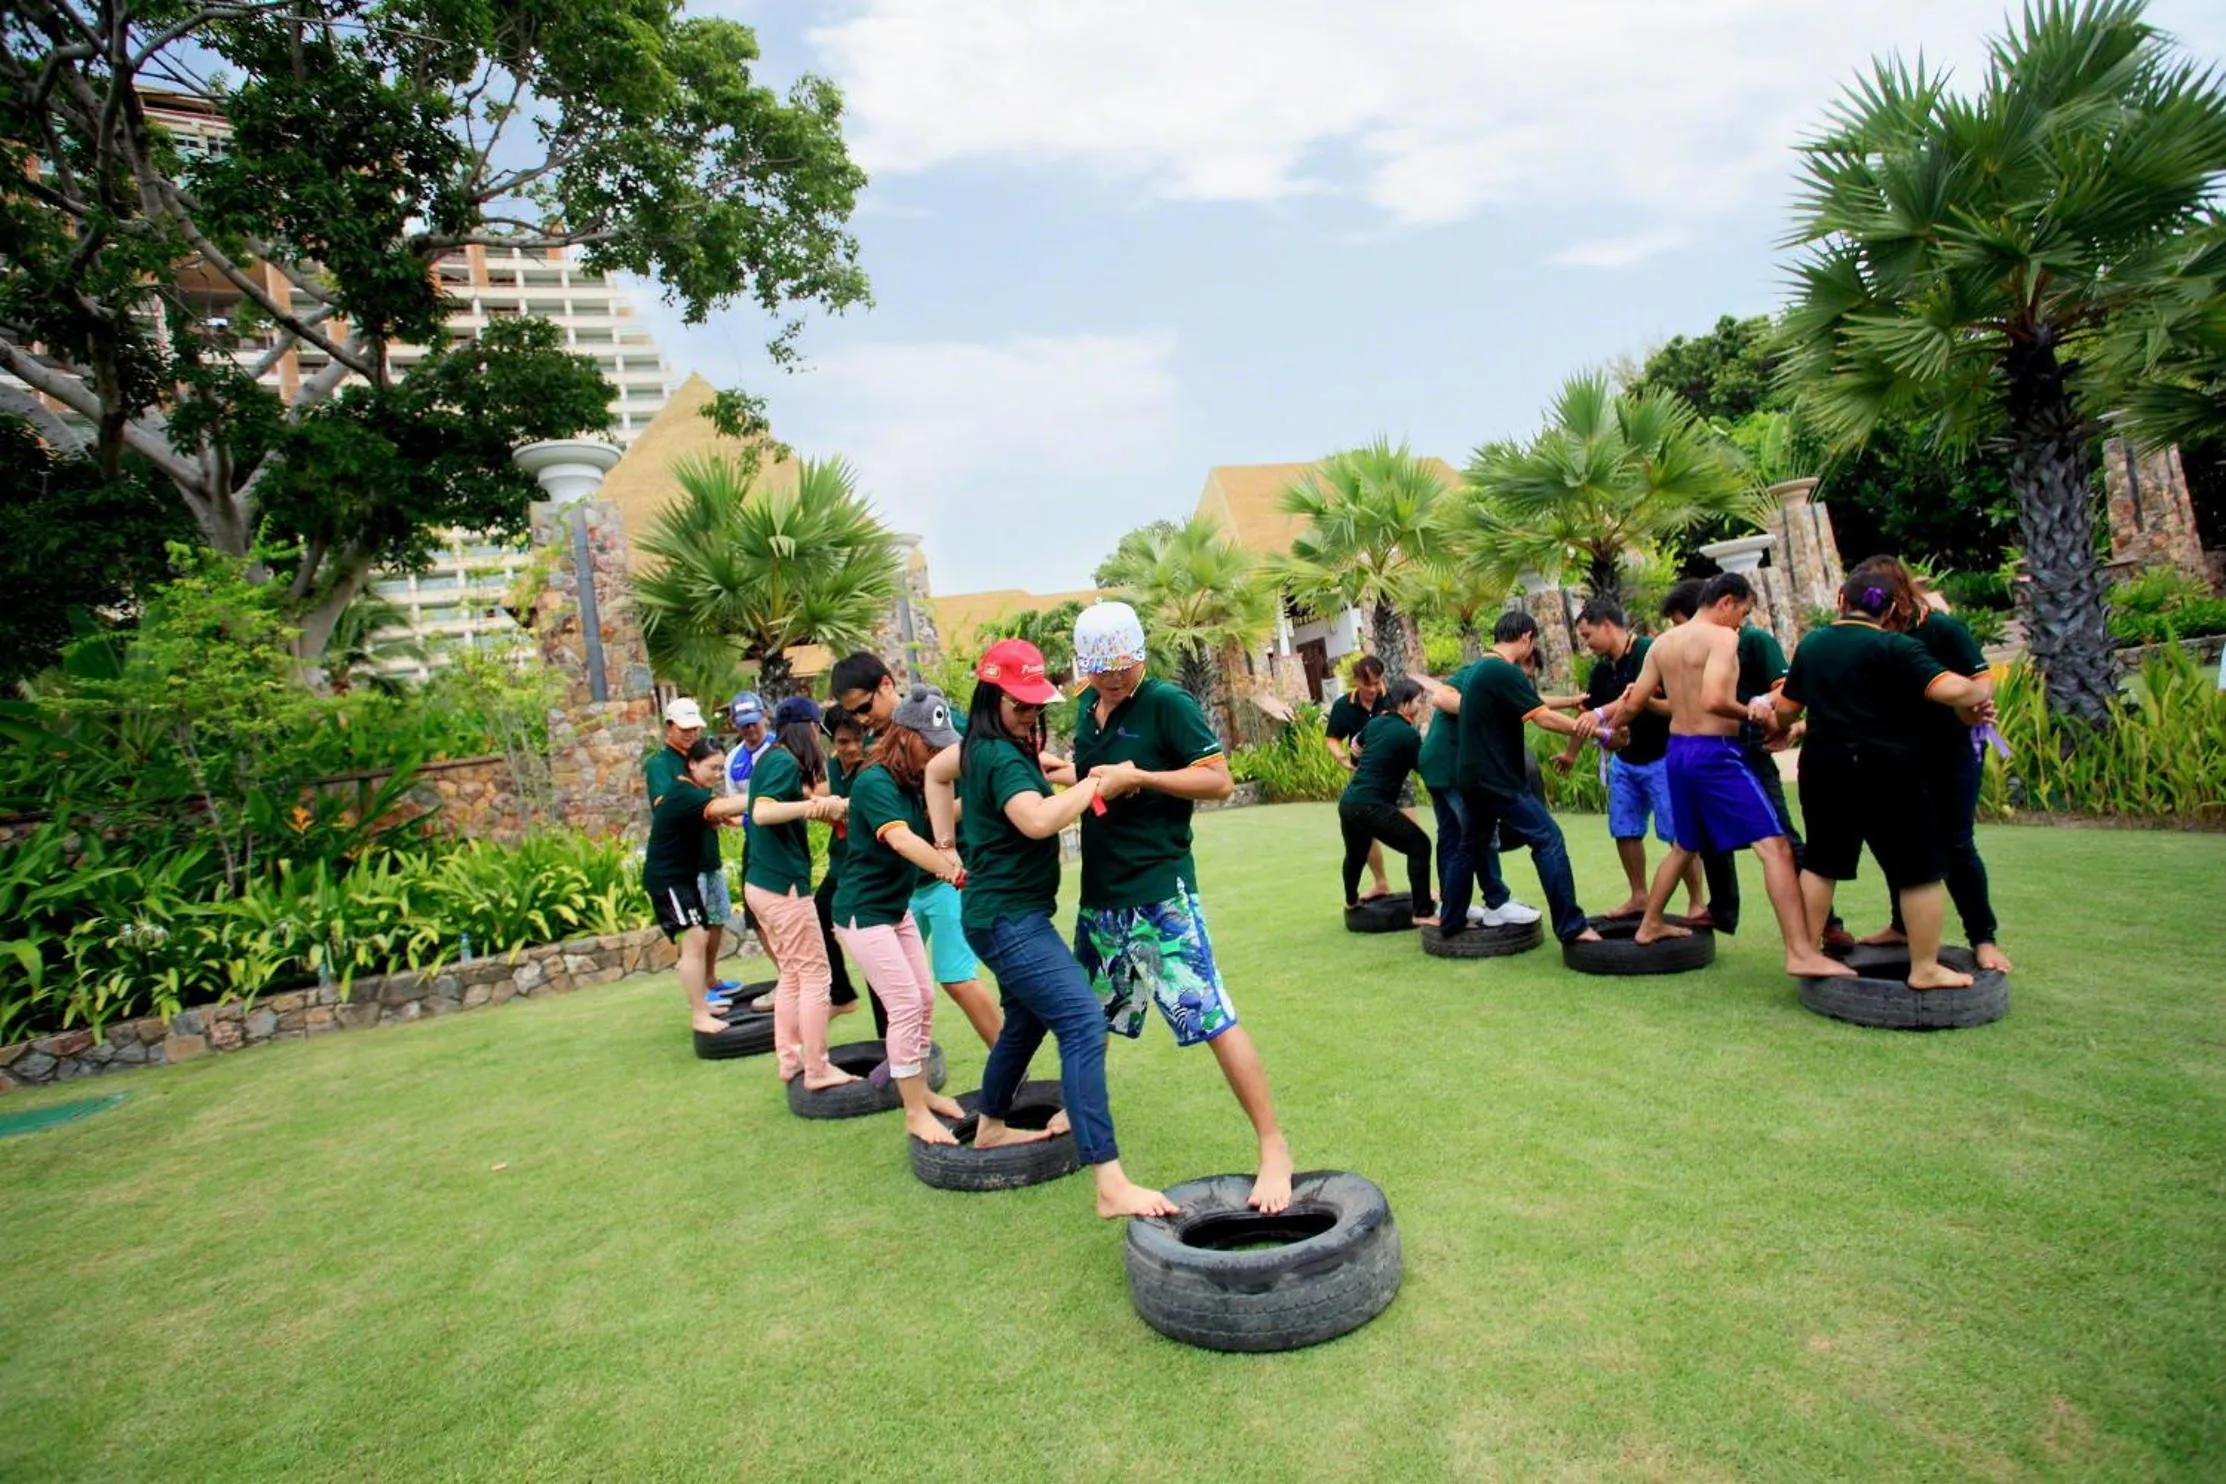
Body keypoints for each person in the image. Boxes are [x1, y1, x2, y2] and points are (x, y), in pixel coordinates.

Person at [927, 637, 1178, 1220]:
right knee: (1082, 1021)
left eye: (1036, 706)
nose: (1030, 715)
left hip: (1009, 914)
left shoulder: (981, 749)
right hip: (1008, 919)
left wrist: (946, 843)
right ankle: (1110, 1182)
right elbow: (1037, 822)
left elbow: (938, 776)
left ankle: (989, 1126)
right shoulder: (996, 755)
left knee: (1025, 1022)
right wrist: (1096, 783)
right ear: (991, 699)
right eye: (1020, 706)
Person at [1069, 601, 1295, 1214]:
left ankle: (1273, 1147)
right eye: (1100, 668)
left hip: (1159, 896)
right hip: (1100, 900)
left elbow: (1218, 779)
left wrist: (1143, 776)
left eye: (1121, 665)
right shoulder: (1085, 710)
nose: (1113, 677)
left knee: (1211, 1018)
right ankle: (1088, 1134)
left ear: (1140, 654)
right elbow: (1091, 778)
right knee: (1087, 1024)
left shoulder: (1167, 703)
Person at [1600, 574, 1857, 979]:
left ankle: (1650, 924)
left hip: (1677, 753)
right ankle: (1801, 953)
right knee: (1776, 849)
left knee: (1685, 845)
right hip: (1715, 754)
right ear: (1725, 602)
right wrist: (1755, 712)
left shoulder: (1663, 644)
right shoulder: (1721, 639)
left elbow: (1634, 702)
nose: (1741, 622)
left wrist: (1612, 731)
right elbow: (1715, 700)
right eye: (1742, 611)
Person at [1761, 568, 1996, 989]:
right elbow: (1953, 691)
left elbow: (1787, 709)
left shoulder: (1813, 643)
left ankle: (1807, 953)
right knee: (1919, 869)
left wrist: (1782, 722)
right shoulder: (1895, 647)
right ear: (1890, 609)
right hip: (1884, 768)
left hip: (1822, 764)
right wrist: (1981, 696)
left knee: (1821, 863)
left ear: (1840, 600)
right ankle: (1925, 968)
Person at [1845, 557, 2013, 974]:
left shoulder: (1940, 629)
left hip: (1949, 750)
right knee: (1894, 840)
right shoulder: (1871, 635)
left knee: (1955, 842)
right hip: (1896, 754)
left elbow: (1979, 680)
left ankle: (1983, 938)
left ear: (1897, 595)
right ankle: (1902, 926)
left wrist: (1972, 709)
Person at [830, 688, 972, 1144]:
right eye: (928, 743)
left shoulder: (915, 780)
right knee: (906, 1004)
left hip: (893, 909)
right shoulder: (875, 782)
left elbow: (944, 813)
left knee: (924, 997)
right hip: (862, 913)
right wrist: (950, 869)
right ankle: (913, 1110)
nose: (935, 751)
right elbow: (904, 841)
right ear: (905, 735)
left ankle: (923, 1092)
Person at [1434, 611, 1603, 947]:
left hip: (1471, 777)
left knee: (1470, 846)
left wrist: (1573, 705)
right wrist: (1601, 732)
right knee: (1548, 838)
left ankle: (1450, 922)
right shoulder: (1503, 670)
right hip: (1497, 780)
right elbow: (1542, 718)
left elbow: (1532, 705)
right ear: (1526, 637)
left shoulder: (1480, 669)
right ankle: (1572, 927)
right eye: (1533, 642)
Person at [1566, 599, 1706, 923]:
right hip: (1625, 764)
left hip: (1664, 757)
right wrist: (1592, 741)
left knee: (1677, 834)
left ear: (1606, 625)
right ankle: (1639, 897)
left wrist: (1608, 721)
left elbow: (1652, 701)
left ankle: (1697, 903)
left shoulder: (1650, 651)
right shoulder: (1601, 671)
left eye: (1588, 635)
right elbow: (1593, 716)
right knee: (1625, 830)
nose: (1586, 644)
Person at [743, 696, 856, 1089]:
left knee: (792, 973)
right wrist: (812, 809)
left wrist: (819, 804)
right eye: (817, 732)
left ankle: (790, 1061)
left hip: (762, 882)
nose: (820, 742)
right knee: (815, 975)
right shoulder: (783, 761)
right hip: (782, 886)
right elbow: (762, 811)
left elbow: (776, 804)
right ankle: (817, 1068)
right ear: (806, 729)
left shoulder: (771, 759)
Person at [644, 738, 768, 1049]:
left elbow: (725, 816)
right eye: (712, 767)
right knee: (694, 942)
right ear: (692, 764)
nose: (716, 774)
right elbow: (725, 806)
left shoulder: (695, 795)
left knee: (696, 940)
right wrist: (766, 794)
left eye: (720, 768)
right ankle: (699, 1013)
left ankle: (702, 1004)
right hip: (668, 879)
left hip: (683, 878)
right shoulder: (685, 792)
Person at [1416, 660, 1542, 931]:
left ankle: (1450, 906)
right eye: (1527, 675)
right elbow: (1440, 697)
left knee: (1450, 836)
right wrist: (1485, 711)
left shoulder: (1481, 676)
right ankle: (1497, 901)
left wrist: (1572, 700)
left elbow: (1534, 705)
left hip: (1435, 762)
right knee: (1481, 834)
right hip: (1450, 763)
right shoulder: (1481, 674)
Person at [642, 697, 741, 1006]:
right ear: (669, 727)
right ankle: (699, 1001)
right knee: (693, 936)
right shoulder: (663, 766)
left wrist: (716, 815)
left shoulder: (700, 764)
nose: (690, 734)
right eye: (684, 728)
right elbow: (668, 806)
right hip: (678, 869)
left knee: (712, 921)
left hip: (704, 856)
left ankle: (709, 982)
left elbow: (709, 809)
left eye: (694, 728)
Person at [1336, 677, 1439, 925]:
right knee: (1420, 845)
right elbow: (1428, 770)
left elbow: (1356, 747)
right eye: (1418, 701)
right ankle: (1422, 912)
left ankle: (1351, 900)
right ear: (1404, 705)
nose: (1422, 705)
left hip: (1349, 803)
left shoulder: (1376, 724)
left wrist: (1356, 752)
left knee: (1356, 854)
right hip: (1373, 805)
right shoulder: (1407, 734)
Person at [722, 691, 779, 1008]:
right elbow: (733, 804)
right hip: (753, 843)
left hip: (782, 841)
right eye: (743, 726)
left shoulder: (780, 748)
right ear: (734, 725)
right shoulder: (733, 760)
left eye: (753, 723)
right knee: (756, 916)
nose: (750, 730)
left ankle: (802, 978)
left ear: (764, 716)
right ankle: (784, 974)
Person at [1323, 654, 1395, 900]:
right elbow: (1332, 738)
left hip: (1396, 773)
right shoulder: (1344, 706)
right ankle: (1381, 883)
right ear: (1356, 681)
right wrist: (1342, 759)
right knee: (1366, 833)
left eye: (1377, 683)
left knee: (1412, 828)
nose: (1373, 689)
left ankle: (1425, 886)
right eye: (1368, 684)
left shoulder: (1390, 699)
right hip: (1364, 777)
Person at [815, 709, 870, 1025]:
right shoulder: (833, 769)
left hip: (866, 868)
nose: (851, 748)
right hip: (841, 865)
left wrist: (842, 808)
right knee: (820, 913)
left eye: (856, 740)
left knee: (870, 937)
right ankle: (842, 994)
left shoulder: (872, 769)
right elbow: (814, 796)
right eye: (843, 742)